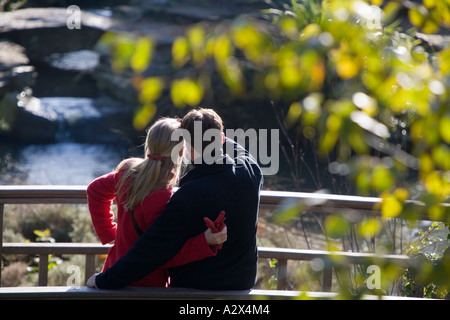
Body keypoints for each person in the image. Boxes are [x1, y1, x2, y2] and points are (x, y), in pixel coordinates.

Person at [88, 108, 263, 290]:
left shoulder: (186, 196)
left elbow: (152, 251)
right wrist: (209, 132)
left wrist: (104, 279)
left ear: (186, 147)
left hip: (192, 290)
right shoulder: (251, 171)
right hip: (242, 286)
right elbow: (238, 149)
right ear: (222, 139)